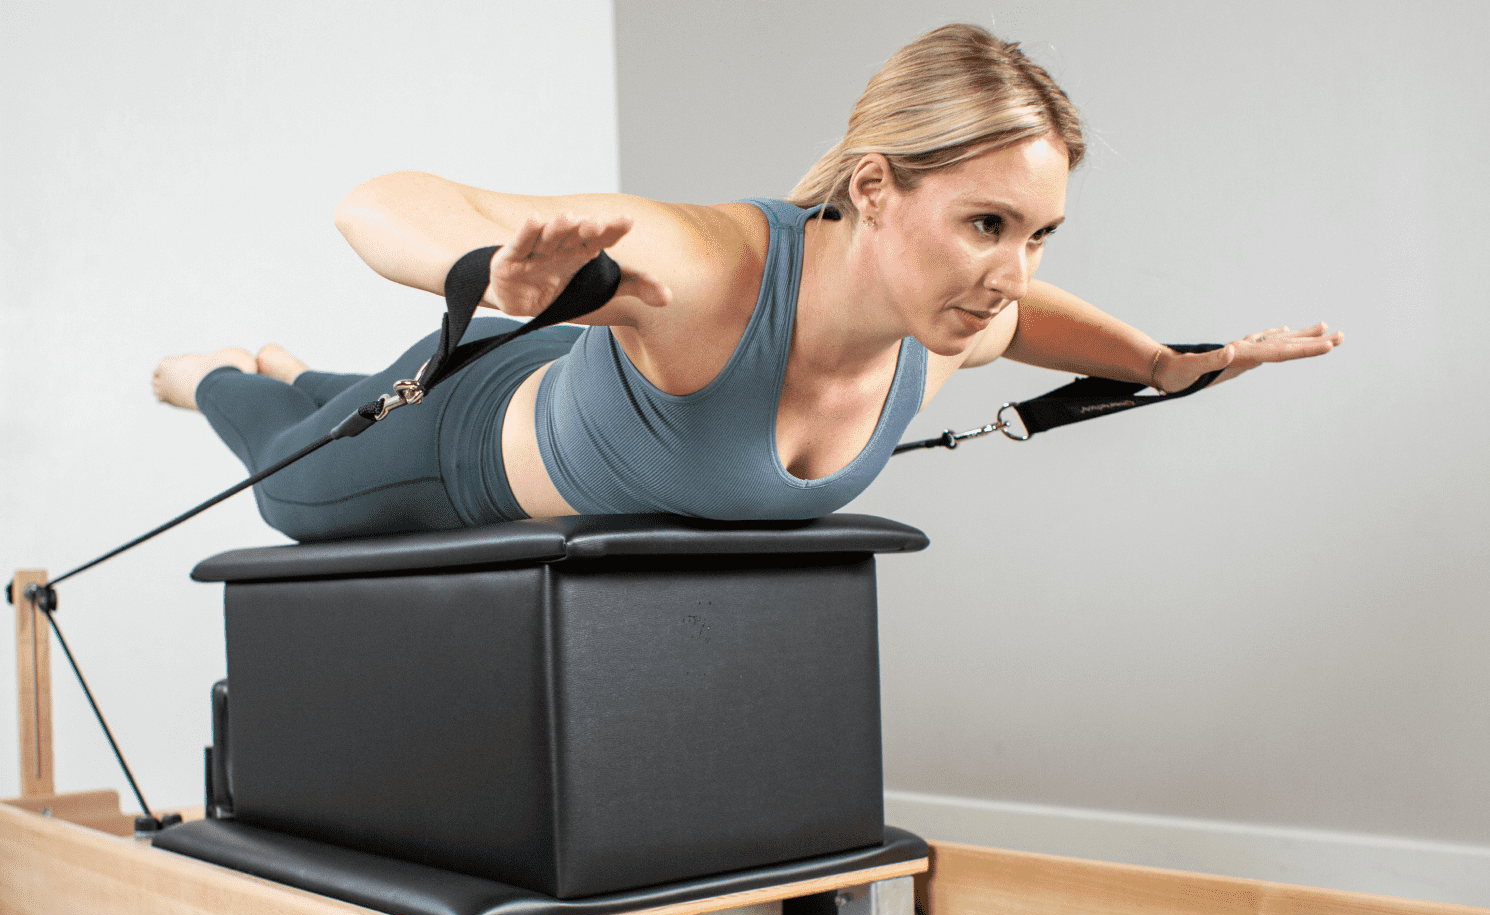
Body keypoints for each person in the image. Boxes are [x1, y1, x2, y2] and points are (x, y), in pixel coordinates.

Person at [151, 23, 1342, 542]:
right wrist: (486, 273)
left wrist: (1162, 364)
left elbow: (1029, 324)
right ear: (874, 187)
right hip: (460, 435)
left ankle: (294, 368)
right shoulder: (716, 267)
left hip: (583, 371)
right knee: (282, 472)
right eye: (985, 221)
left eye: (1036, 232)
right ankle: (221, 373)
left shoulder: (945, 326)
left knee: (324, 386)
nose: (1008, 270)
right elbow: (378, 201)